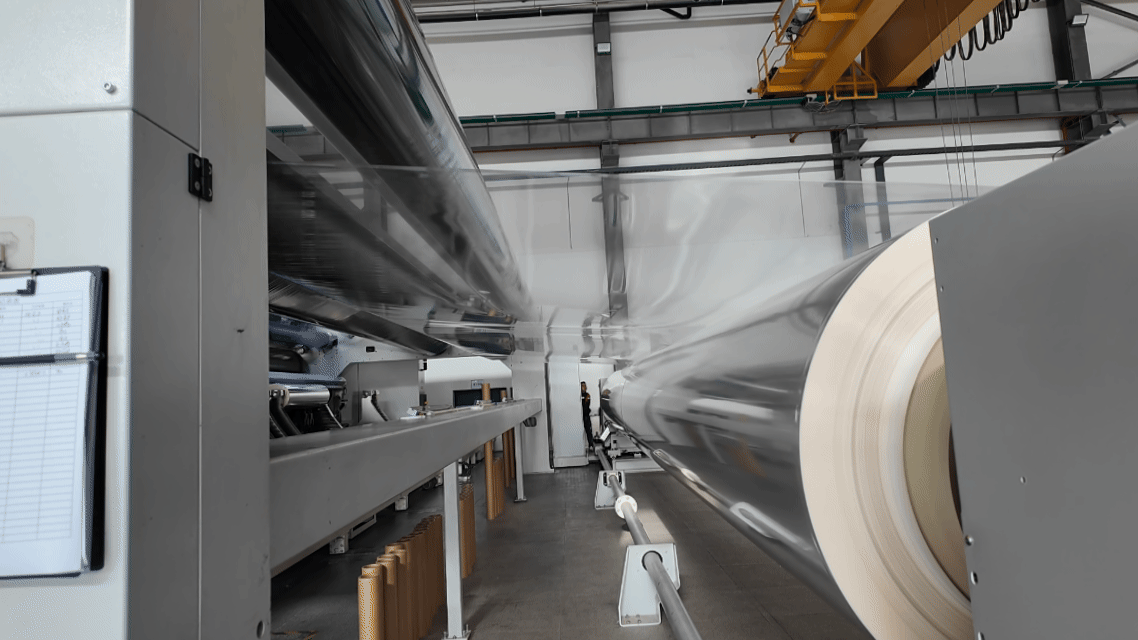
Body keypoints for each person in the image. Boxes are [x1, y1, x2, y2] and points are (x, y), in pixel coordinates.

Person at [581, 382, 595, 450]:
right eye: (582, 386)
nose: (584, 387)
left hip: (586, 415)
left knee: (589, 431)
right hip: (580, 416)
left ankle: (591, 445)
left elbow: (586, 404)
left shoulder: (587, 395)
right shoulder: (578, 395)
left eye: (584, 386)